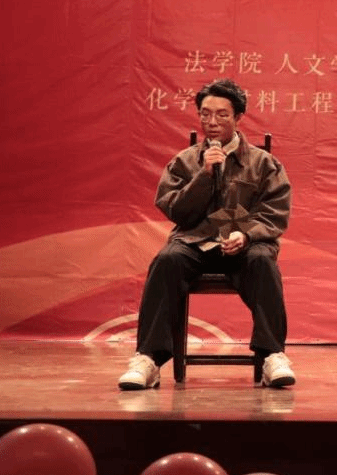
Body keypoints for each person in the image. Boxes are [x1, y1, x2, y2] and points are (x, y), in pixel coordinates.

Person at [118, 79, 296, 389]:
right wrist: (204, 175)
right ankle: (148, 359)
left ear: (238, 117)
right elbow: (175, 210)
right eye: (205, 114)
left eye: (222, 114)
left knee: (263, 262)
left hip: (244, 244)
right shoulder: (184, 162)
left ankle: (272, 355)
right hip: (194, 241)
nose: (212, 122)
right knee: (167, 260)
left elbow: (275, 213)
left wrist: (246, 235)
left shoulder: (264, 163)